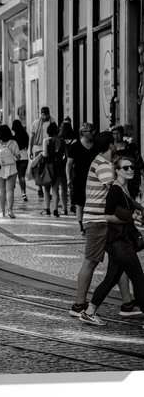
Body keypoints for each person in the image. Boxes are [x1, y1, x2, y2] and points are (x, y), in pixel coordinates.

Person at [70, 131, 141, 318]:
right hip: (97, 220)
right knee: (91, 261)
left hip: (102, 221)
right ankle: (79, 306)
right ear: (111, 145)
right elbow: (116, 192)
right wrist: (134, 211)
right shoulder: (103, 165)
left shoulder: (103, 162)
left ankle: (127, 304)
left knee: (120, 261)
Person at [79, 156, 144, 325]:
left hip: (118, 241)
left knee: (111, 279)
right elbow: (107, 215)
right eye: (125, 167)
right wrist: (131, 219)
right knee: (138, 278)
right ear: (117, 170)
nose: (130, 170)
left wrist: (138, 213)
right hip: (118, 242)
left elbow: (134, 207)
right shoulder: (115, 190)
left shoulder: (124, 188)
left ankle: (89, 312)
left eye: (132, 167)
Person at [66, 122, 97, 235]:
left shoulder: (96, 145)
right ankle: (82, 226)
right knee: (80, 203)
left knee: (93, 202)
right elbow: (69, 164)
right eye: (90, 131)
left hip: (95, 179)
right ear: (83, 133)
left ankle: (90, 223)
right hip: (79, 179)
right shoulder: (75, 146)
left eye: (93, 130)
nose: (93, 132)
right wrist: (68, 178)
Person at [0, 124, 21, 218]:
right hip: (12, 168)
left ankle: (1, 211)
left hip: (0, 168)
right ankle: (10, 210)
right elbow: (18, 157)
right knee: (10, 190)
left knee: (2, 190)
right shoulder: (13, 143)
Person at [41, 122, 67, 216]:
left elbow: (45, 155)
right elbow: (66, 156)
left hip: (48, 167)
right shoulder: (62, 141)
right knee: (55, 189)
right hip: (59, 166)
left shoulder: (46, 141)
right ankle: (55, 210)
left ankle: (47, 209)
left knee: (47, 190)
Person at [29, 106, 54, 198]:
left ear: (48, 114)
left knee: (48, 169)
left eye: (45, 114)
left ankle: (47, 189)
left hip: (48, 148)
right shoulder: (36, 123)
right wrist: (30, 150)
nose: (44, 116)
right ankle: (40, 189)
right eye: (42, 114)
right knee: (38, 169)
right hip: (38, 148)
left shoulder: (52, 122)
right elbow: (32, 137)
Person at [12, 119, 29, 202]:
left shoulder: (13, 137)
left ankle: (11, 191)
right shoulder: (25, 135)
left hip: (15, 158)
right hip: (24, 157)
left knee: (13, 175)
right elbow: (27, 147)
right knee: (22, 176)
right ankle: (23, 193)